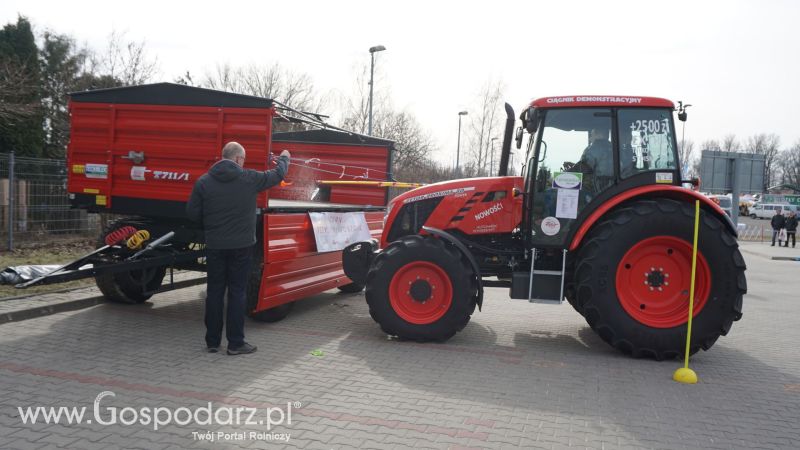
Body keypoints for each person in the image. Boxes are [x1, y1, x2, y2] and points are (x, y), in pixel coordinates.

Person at [186, 142, 290, 355]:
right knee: (237, 293)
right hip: (241, 247)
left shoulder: (204, 182)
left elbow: (192, 214)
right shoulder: (249, 178)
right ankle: (235, 343)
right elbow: (277, 175)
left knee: (214, 292)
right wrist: (284, 158)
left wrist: (211, 226)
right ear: (236, 159)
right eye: (243, 159)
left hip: (215, 245)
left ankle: (212, 342)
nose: (243, 163)